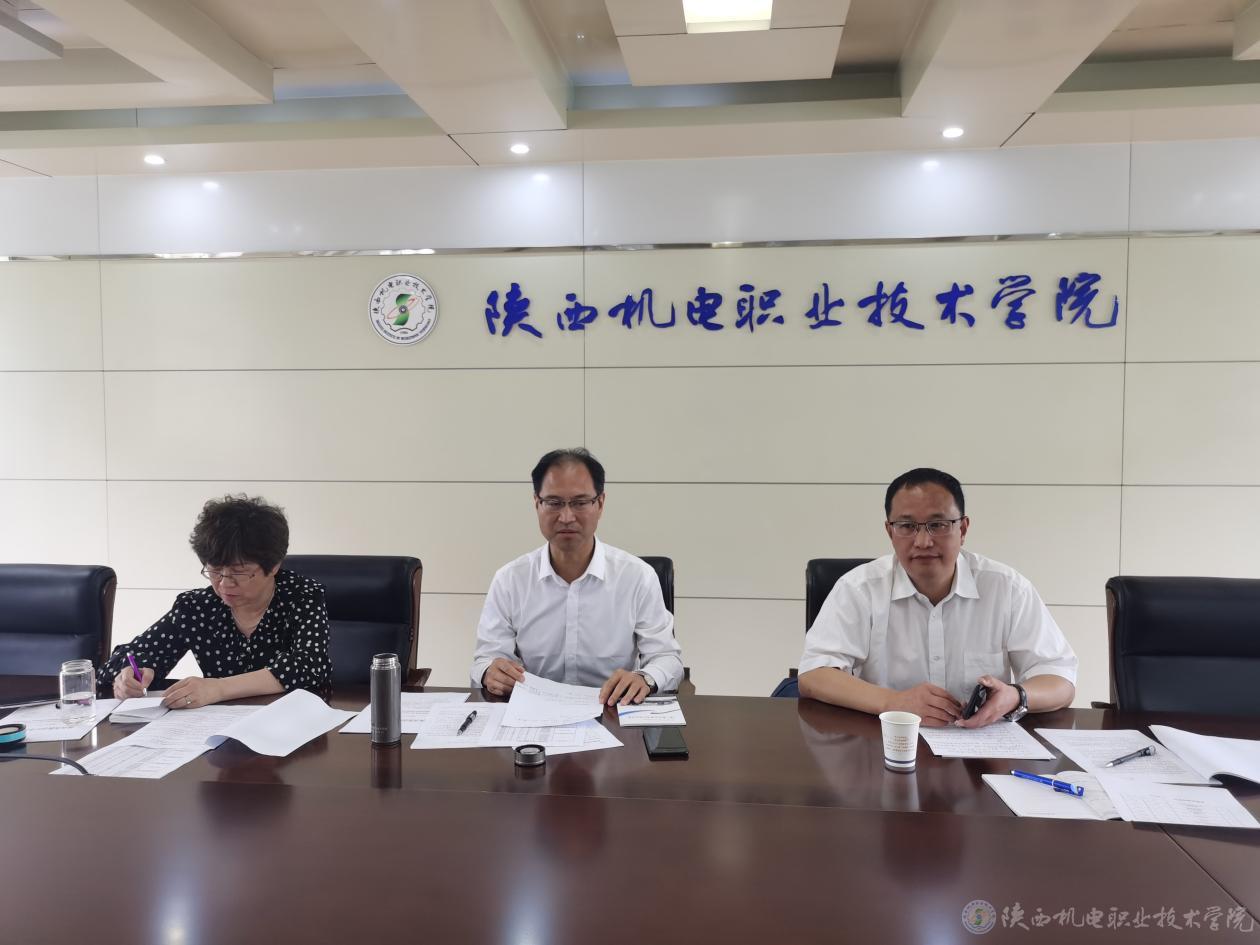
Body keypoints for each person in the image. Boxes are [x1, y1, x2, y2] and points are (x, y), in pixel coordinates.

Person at [798, 468, 1076, 727]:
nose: (923, 542)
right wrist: (893, 702)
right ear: (890, 531)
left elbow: (1060, 679)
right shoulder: (859, 589)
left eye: (938, 524)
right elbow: (814, 674)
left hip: (979, 747)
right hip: (886, 743)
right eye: (906, 526)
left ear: (962, 529)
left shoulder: (1007, 588)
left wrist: (1016, 695)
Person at [471, 447, 683, 706]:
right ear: (537, 503)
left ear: (600, 503)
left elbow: (667, 658)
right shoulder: (510, 580)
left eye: (580, 503)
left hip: (612, 712)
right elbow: (485, 659)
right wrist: (489, 672)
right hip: (533, 715)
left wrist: (645, 678)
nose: (566, 517)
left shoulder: (637, 577)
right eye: (554, 503)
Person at [99, 495, 332, 708]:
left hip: (291, 724)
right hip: (216, 729)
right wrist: (131, 674)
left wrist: (218, 688)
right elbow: (124, 658)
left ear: (273, 566)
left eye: (239, 572)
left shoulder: (302, 596)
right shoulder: (198, 607)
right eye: (215, 570)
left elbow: (309, 666)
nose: (224, 584)